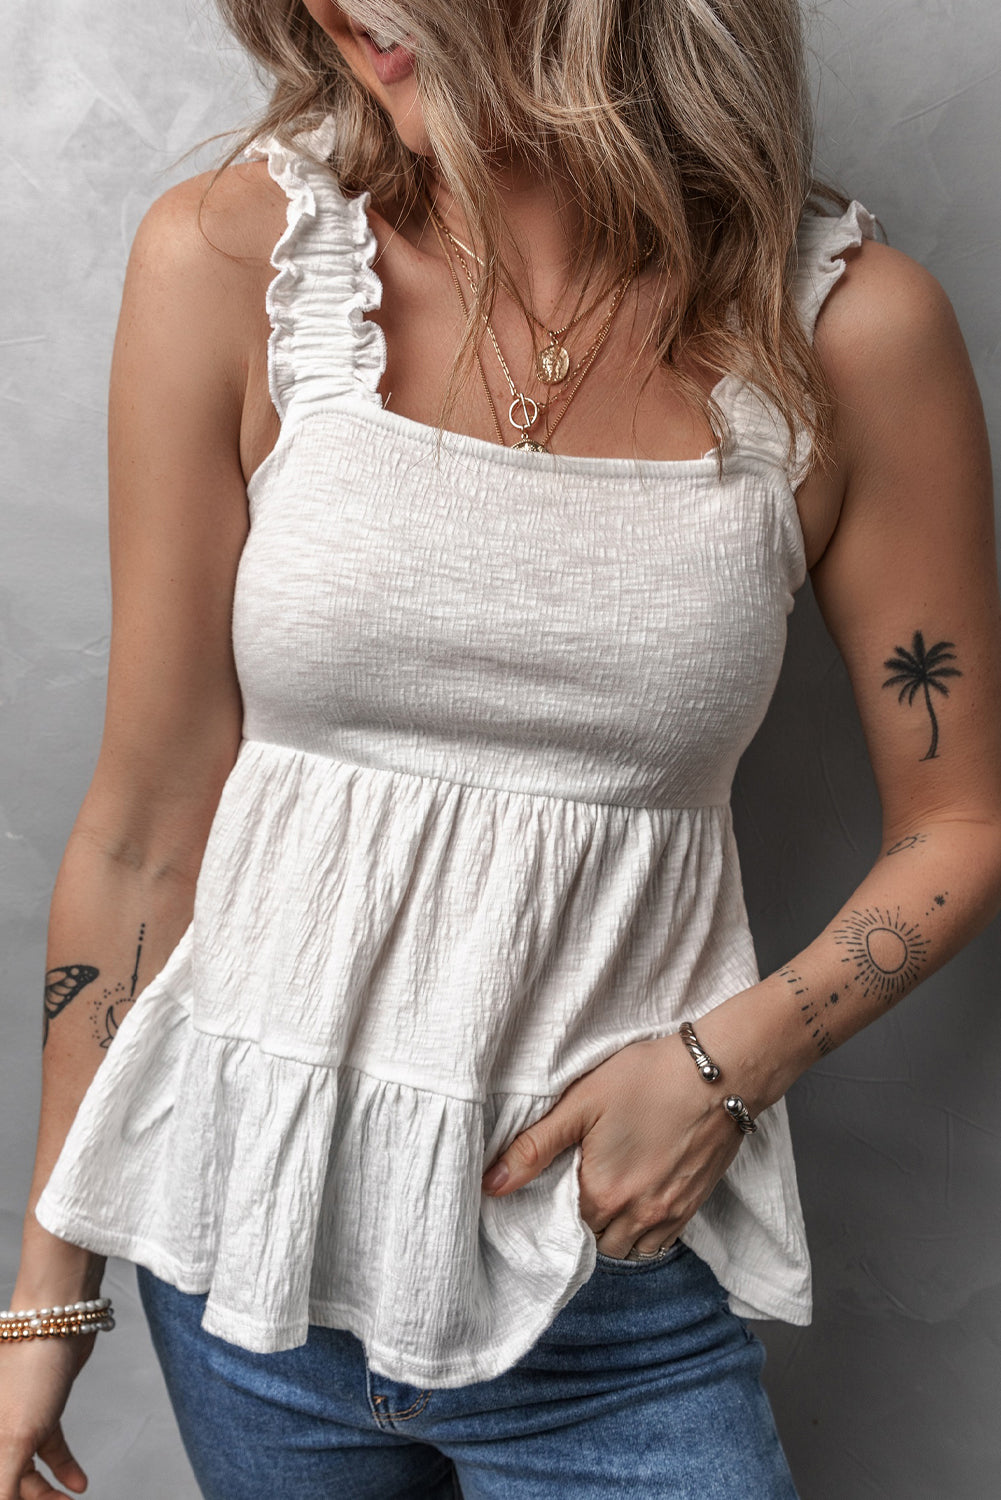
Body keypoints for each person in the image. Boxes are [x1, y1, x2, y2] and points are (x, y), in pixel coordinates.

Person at [3, 0, 1001, 1494]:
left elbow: (961, 821)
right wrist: (47, 1291)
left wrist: (727, 1065)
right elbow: (142, 832)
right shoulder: (238, 265)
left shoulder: (847, 333)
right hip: (245, 1266)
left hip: (607, 1290)